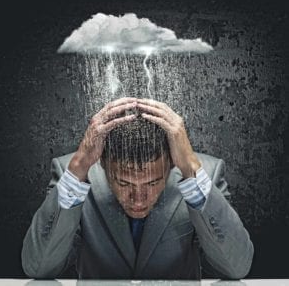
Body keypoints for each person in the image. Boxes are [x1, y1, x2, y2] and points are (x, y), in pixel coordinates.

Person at [21, 97, 254, 280]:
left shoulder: (205, 174)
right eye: (124, 183)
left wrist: (192, 169)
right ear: (103, 165)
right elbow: (38, 268)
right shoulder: (74, 174)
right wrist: (78, 169)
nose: (139, 198)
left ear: (171, 164)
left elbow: (236, 268)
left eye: (153, 183)